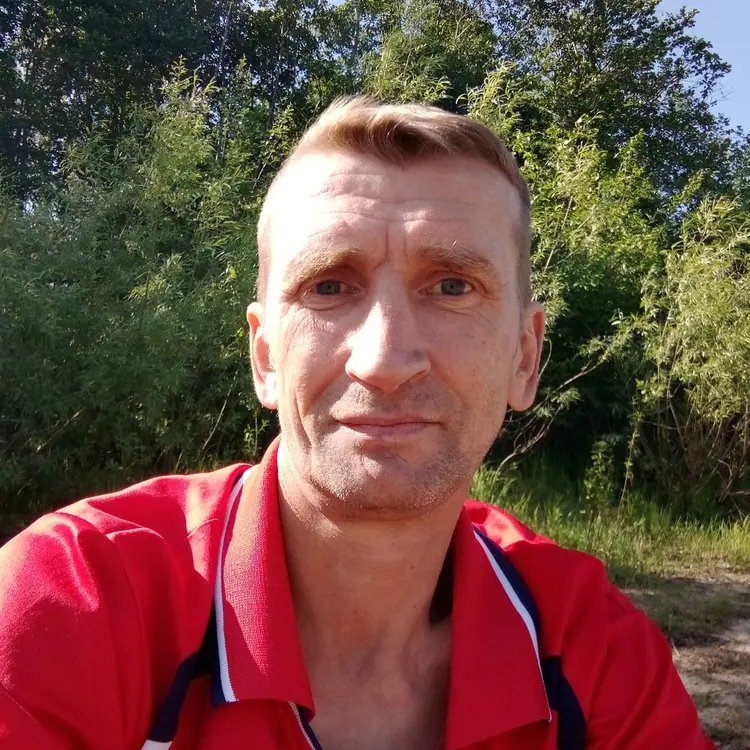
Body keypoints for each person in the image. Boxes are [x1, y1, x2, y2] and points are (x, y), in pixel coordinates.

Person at [0, 97, 713, 750]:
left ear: (525, 358)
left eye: (453, 286)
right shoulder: (72, 605)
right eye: (330, 286)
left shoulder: (593, 650)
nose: (385, 361)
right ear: (265, 357)